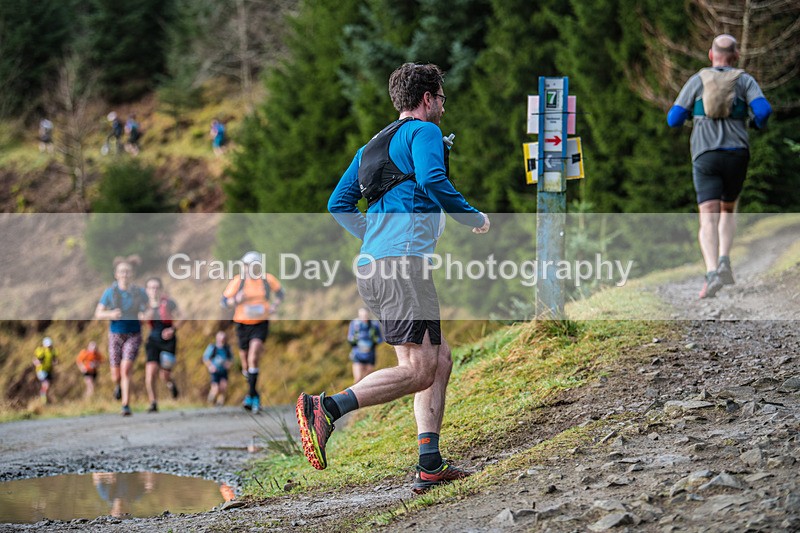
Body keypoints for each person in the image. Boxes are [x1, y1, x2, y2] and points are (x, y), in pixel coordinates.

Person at [296, 62, 490, 494]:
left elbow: (338, 202)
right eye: (441, 97)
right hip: (402, 264)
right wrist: (470, 216)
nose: (443, 104)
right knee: (420, 369)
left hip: (378, 265)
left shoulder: (371, 147)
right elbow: (434, 178)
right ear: (426, 98)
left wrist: (375, 238)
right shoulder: (424, 133)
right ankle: (326, 407)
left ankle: (429, 463)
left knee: (438, 360)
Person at [668, 34, 772, 299]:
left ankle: (712, 272)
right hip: (737, 154)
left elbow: (673, 118)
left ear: (711, 54)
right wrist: (755, 124)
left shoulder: (698, 79)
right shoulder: (744, 80)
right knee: (729, 208)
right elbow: (763, 111)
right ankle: (725, 259)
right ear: (736, 55)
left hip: (705, 155)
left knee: (708, 216)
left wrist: (692, 116)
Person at [221, 251, 285, 414]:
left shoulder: (266, 279)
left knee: (254, 356)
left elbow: (280, 294)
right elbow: (224, 302)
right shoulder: (239, 281)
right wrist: (236, 300)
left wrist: (274, 306)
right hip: (242, 324)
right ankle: (252, 395)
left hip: (260, 323)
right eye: (246, 265)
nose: (248, 268)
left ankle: (252, 396)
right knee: (245, 364)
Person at [95, 255, 147, 416]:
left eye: (127, 271)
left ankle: (126, 405)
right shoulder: (110, 292)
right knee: (115, 374)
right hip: (115, 334)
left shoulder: (140, 292)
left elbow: (150, 308)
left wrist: (145, 315)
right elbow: (98, 313)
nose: (125, 274)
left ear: (132, 274)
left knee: (126, 369)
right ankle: (118, 385)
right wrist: (110, 313)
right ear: (116, 274)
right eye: (121, 271)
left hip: (134, 334)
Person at [142, 277, 182, 413]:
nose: (154, 290)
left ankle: (170, 383)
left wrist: (172, 329)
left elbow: (182, 316)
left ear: (161, 289)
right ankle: (153, 402)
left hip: (168, 341)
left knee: (164, 374)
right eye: (151, 288)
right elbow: (140, 320)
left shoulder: (169, 303)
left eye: (156, 287)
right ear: (147, 290)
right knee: (150, 373)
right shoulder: (145, 305)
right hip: (153, 340)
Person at [347, 307, 383, 383]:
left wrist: (374, 340)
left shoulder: (374, 325)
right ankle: (354, 394)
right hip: (358, 354)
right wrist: (355, 339)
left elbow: (380, 339)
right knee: (358, 379)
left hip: (370, 355)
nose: (363, 317)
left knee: (367, 380)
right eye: (361, 315)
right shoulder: (354, 324)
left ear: (368, 314)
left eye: (365, 315)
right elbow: (350, 338)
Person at [203, 330, 234, 405]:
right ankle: (210, 401)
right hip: (215, 371)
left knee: (223, 387)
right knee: (215, 388)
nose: (222, 340)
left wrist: (228, 364)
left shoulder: (227, 348)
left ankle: (220, 404)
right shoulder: (212, 347)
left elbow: (231, 359)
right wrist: (210, 366)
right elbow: (205, 358)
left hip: (223, 370)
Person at [32, 337, 57, 403]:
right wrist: (37, 363)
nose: (49, 347)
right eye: (47, 346)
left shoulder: (52, 351)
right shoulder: (41, 351)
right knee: (46, 384)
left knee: (47, 386)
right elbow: (35, 359)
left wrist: (55, 362)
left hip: (48, 370)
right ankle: (43, 400)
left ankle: (43, 397)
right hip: (41, 371)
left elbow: (55, 359)